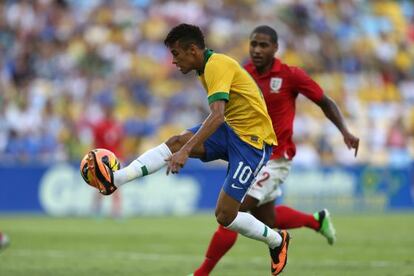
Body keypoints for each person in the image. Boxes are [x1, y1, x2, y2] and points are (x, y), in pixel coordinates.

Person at [84, 23, 290, 275]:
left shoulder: (217, 65)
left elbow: (217, 117)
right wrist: (182, 149)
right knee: (175, 142)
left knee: (225, 215)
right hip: (233, 131)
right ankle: (117, 178)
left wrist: (185, 153)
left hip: (253, 143)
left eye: (175, 54)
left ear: (192, 50)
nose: (173, 61)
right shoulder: (205, 68)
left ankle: (277, 241)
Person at [191, 25, 360, 276]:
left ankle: (201, 273)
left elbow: (324, 101)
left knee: (231, 211)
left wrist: (345, 131)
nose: (257, 50)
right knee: (266, 220)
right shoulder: (242, 72)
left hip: (275, 158)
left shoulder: (291, 75)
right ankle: (316, 220)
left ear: (275, 48)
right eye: (253, 44)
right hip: (249, 153)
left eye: (263, 45)